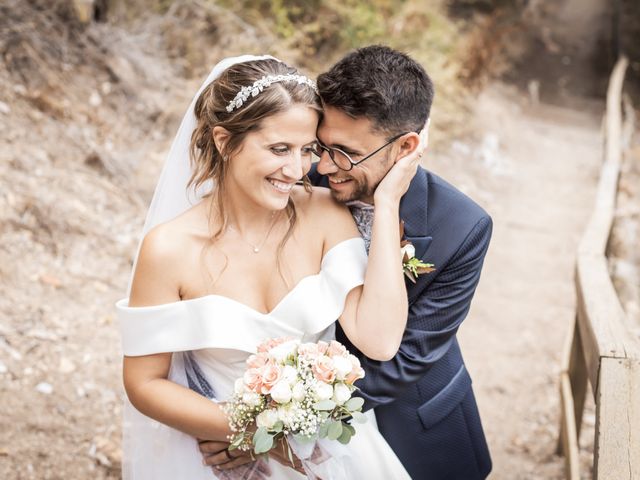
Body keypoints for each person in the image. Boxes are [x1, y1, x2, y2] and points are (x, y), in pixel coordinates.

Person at [116, 54, 423, 479]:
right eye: (279, 149)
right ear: (224, 142)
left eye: (308, 150)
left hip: (332, 456)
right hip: (215, 454)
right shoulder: (169, 249)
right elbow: (144, 384)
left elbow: (380, 340)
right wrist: (251, 432)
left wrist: (386, 205)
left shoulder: (324, 215)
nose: (298, 170)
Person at [307, 45, 494, 479]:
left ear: (406, 146)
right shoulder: (296, 182)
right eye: (321, 144)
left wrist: (290, 416)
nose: (323, 164)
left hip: (414, 427)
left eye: (345, 152)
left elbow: (404, 362)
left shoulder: (463, 226)